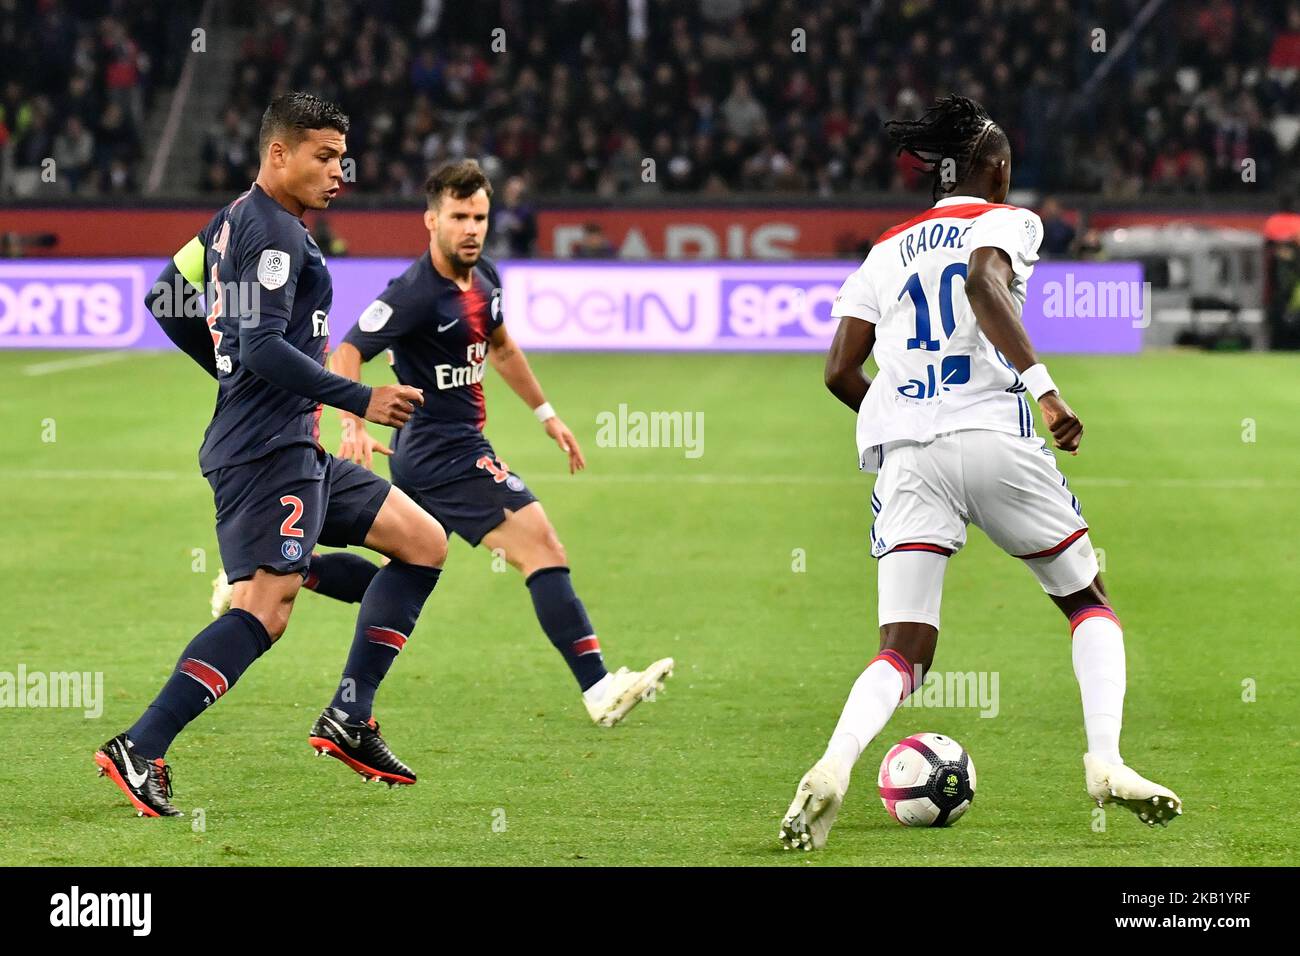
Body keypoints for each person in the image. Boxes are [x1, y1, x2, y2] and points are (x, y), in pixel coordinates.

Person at [779, 95, 1182, 851]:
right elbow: (982, 283)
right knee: (1085, 598)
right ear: (991, 168)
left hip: (910, 455)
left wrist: (899, 414)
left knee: (902, 648)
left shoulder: (885, 247)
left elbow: (838, 370)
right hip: (996, 435)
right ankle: (1106, 760)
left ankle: (835, 763)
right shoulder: (1007, 221)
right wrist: (1047, 390)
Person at [97, 92, 449, 817]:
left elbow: (167, 295)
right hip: (264, 454)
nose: (338, 172)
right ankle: (141, 746)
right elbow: (259, 347)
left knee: (422, 543)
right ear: (278, 153)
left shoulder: (233, 221)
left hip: (291, 444)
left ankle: (350, 714)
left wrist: (230, 367)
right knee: (267, 608)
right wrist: (358, 398)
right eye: (323, 156)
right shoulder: (277, 237)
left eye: (341, 158)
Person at [321, 158, 673, 727]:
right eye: (459, 216)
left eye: (480, 216)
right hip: (445, 454)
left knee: (403, 573)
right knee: (543, 549)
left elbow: (504, 350)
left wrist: (547, 415)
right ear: (430, 221)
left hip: (435, 453)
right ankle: (599, 687)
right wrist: (353, 422)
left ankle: (280, 572)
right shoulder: (413, 293)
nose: (471, 228)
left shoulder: (484, 278)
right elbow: (347, 351)